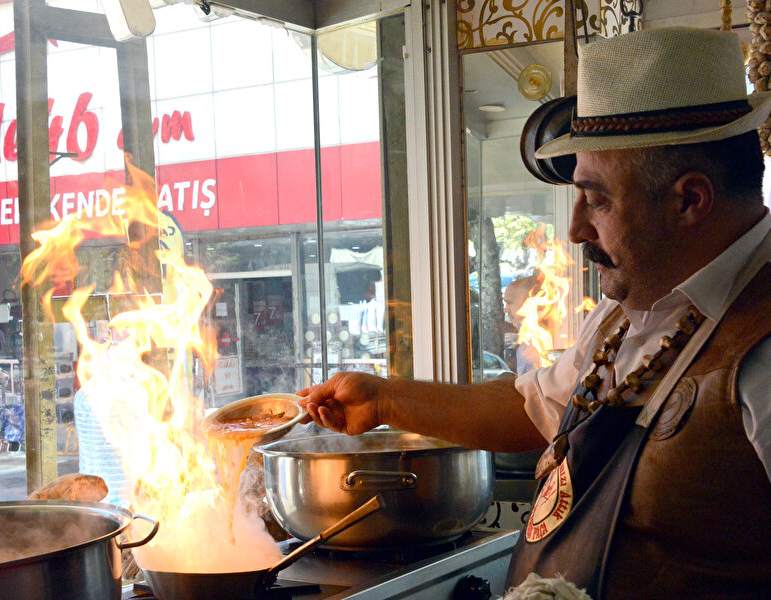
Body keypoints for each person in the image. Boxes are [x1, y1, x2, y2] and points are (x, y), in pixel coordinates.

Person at [299, 27, 771, 600]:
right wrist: (384, 400)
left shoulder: (761, 348)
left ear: (689, 200)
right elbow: (534, 412)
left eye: (596, 199)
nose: (574, 230)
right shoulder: (630, 313)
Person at [503, 274, 545, 375]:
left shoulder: (535, 340)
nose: (505, 309)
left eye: (509, 302)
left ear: (528, 303)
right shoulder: (526, 336)